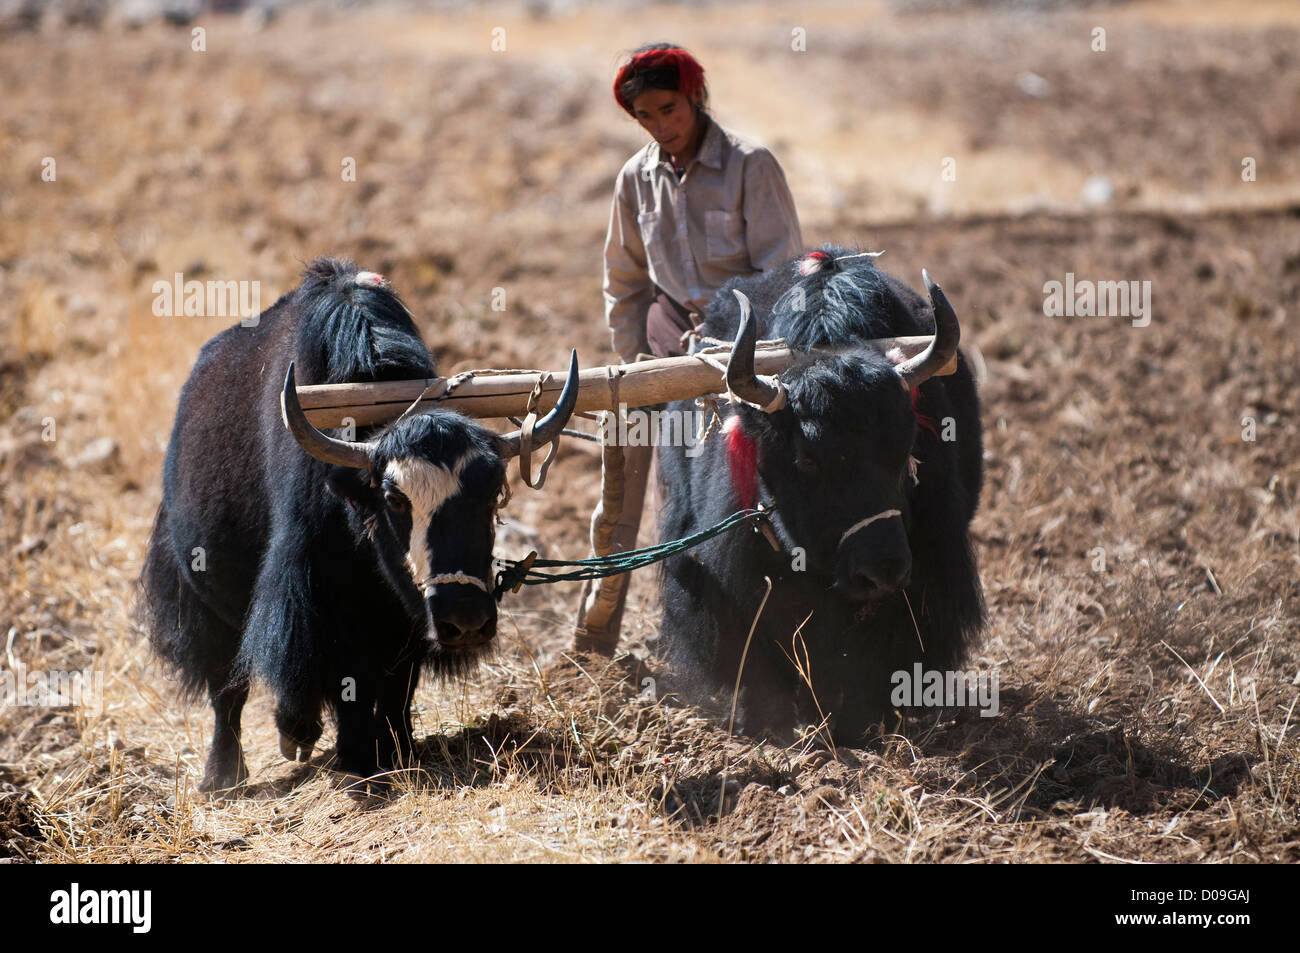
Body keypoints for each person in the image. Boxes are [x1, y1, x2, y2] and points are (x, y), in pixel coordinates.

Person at [577, 42, 803, 648]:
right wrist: (635, 366)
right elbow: (623, 281)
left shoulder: (752, 167)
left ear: (696, 98)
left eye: (669, 109)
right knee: (622, 491)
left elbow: (782, 277)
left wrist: (748, 359)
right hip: (662, 346)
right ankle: (595, 637)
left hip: (741, 350)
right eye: (644, 116)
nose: (660, 126)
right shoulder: (635, 179)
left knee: (744, 490)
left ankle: (762, 634)